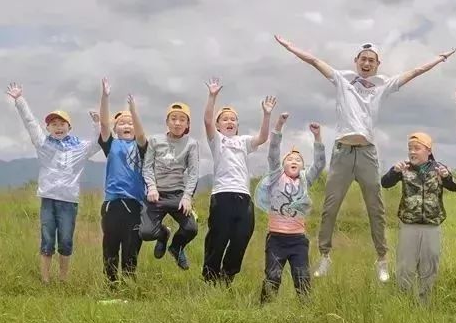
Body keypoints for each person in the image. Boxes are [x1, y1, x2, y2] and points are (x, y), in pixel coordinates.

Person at [274, 35, 456, 282]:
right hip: (342, 151)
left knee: (376, 207)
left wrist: (439, 58)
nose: (367, 63)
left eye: (371, 60)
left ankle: (381, 259)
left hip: (367, 152)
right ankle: (325, 256)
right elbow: (314, 60)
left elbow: (414, 71)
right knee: (330, 206)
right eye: (363, 59)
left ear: (377, 64)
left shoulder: (384, 84)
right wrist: (289, 46)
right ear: (356, 61)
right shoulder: (342, 79)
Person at [5, 82, 101, 284]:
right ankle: (46, 280)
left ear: (69, 126)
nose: (58, 128)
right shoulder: (43, 144)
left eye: (62, 124)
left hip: (68, 201)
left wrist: (97, 124)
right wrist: (19, 100)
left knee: (65, 241)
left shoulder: (79, 148)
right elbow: (30, 123)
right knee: (47, 240)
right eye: (53, 124)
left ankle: (64, 280)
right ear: (48, 127)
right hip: (48, 199)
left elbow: (96, 143)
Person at [202, 77, 275, 285]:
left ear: (237, 124)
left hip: (243, 197)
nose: (229, 122)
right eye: (224, 119)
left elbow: (262, 137)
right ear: (218, 125)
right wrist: (212, 96)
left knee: (242, 235)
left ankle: (228, 275)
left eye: (233, 119)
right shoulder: (216, 140)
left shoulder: (243, 142)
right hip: (222, 195)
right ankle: (210, 277)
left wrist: (266, 114)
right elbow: (207, 120)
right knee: (218, 237)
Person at [380, 132, 456, 303]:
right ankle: (404, 303)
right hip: (409, 225)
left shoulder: (439, 168)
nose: (412, 152)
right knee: (405, 266)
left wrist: (446, 177)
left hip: (432, 226)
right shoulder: (404, 168)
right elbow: (385, 183)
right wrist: (394, 171)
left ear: (428, 151)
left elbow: (454, 187)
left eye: (417, 148)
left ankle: (424, 303)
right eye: (410, 149)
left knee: (429, 266)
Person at [255, 113, 326, 303]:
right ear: (283, 164)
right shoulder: (276, 177)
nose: (293, 161)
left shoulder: (305, 181)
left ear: (302, 166)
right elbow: (273, 152)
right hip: (276, 240)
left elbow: (319, 164)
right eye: (290, 159)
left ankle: (306, 313)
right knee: (273, 277)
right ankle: (263, 311)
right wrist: (278, 125)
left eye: (298, 159)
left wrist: (317, 137)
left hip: (298, 240)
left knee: (302, 278)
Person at [97, 79, 149, 285]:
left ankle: (129, 286)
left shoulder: (142, 146)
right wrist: (105, 97)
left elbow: (142, 133)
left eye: (130, 123)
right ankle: (111, 286)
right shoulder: (111, 145)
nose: (127, 125)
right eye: (122, 123)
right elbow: (103, 123)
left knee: (131, 247)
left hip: (135, 204)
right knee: (110, 246)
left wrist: (132, 110)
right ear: (116, 128)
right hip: (112, 204)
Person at [140, 101, 199, 270]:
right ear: (167, 121)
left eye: (182, 119)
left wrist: (187, 197)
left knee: (191, 228)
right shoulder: (155, 140)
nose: (177, 123)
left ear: (187, 124)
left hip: (177, 195)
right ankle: (163, 234)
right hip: (156, 194)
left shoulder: (192, 144)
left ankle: (176, 247)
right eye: (173, 118)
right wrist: (151, 187)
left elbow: (194, 173)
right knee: (146, 233)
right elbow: (147, 166)